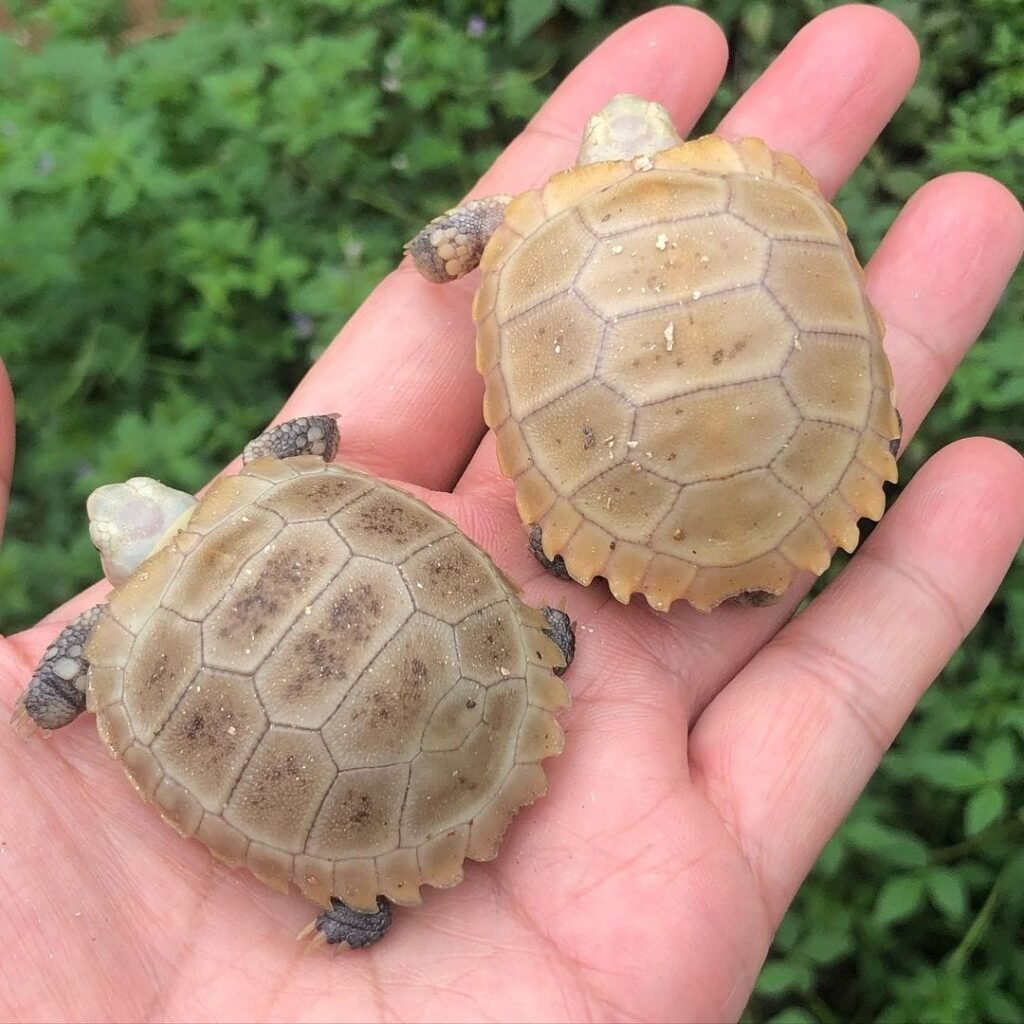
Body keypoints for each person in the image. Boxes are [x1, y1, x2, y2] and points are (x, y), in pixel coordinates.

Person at [0, 5, 1021, 1021]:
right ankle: (558, 619)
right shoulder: (757, 182)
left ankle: (374, 877)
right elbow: (388, 331)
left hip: (369, 763)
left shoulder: (131, 630)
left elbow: (432, 257)